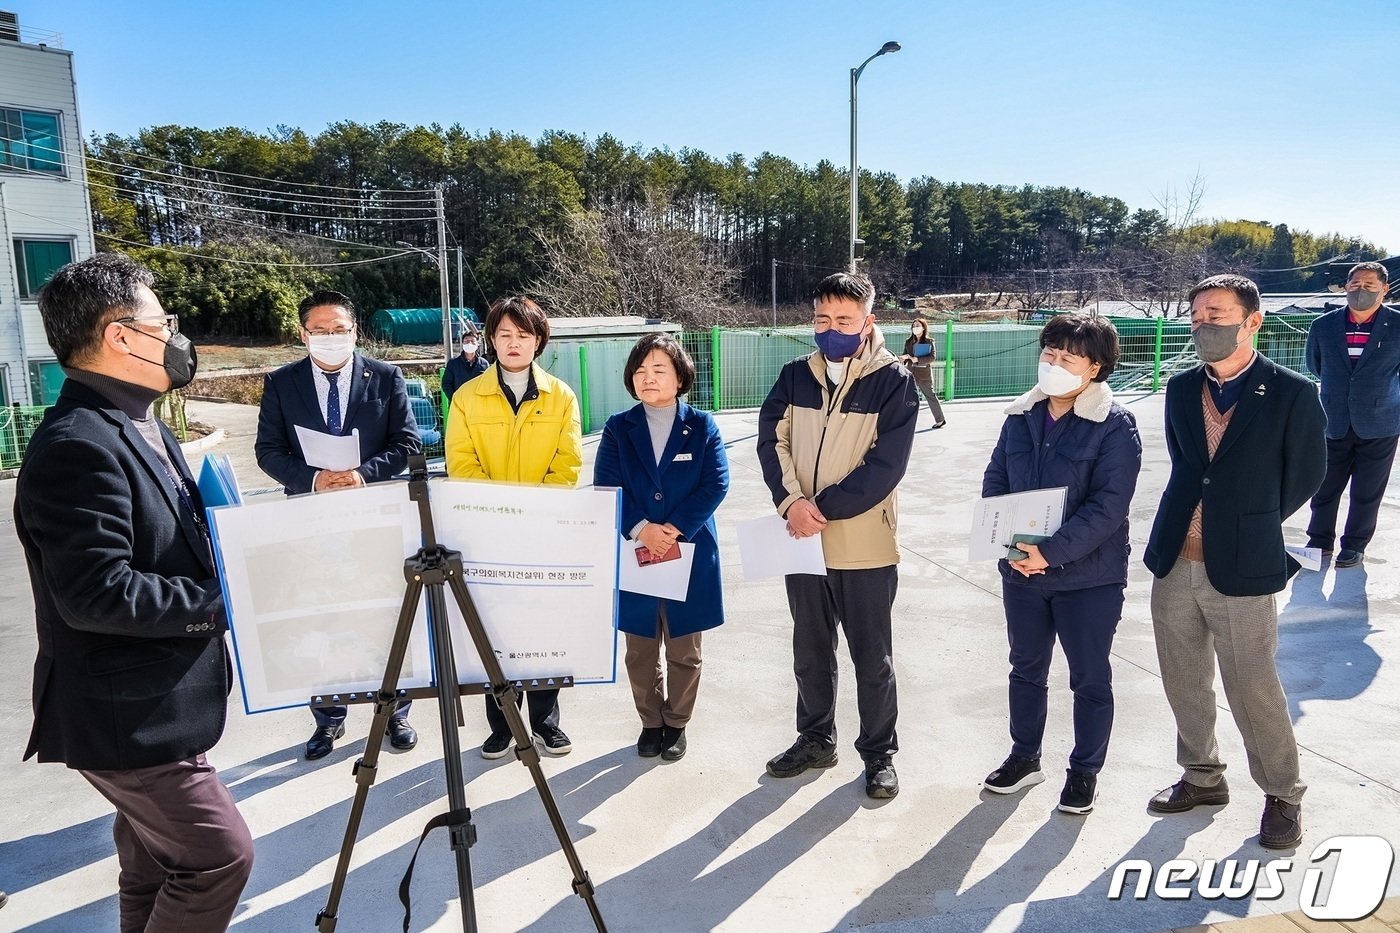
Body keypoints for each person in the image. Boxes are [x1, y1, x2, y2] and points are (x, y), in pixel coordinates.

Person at [16, 253, 253, 931]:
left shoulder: (142, 421)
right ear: (120, 336)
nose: (174, 338)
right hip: (125, 718)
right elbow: (98, 591)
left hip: (159, 707)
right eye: (162, 323)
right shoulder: (76, 444)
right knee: (216, 856)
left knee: (154, 862)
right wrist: (223, 602)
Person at [1143, 273, 1326, 849]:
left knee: (1253, 685)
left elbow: (1306, 474)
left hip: (1244, 564)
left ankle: (1283, 795)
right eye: (1198, 315)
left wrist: (1250, 519)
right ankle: (1202, 777)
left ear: (1253, 321)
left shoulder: (1293, 392)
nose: (1204, 324)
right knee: (1184, 679)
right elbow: (1187, 466)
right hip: (1176, 558)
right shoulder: (1179, 389)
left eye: (1217, 314)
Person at [757, 272, 918, 799]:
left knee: (872, 656)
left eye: (844, 320)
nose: (832, 329)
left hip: (864, 543)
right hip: (800, 541)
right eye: (823, 319)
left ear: (868, 322)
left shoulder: (894, 381)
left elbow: (884, 468)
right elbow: (770, 441)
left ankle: (878, 754)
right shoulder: (794, 375)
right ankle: (815, 738)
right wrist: (791, 503)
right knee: (810, 649)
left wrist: (817, 509)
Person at [980, 314, 1142, 814]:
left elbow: (1108, 506)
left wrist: (1049, 552)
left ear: (1094, 368)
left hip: (1087, 579)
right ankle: (1024, 756)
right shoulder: (1020, 417)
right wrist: (1011, 545)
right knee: (1025, 668)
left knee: (1089, 676)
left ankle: (1084, 771)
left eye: (1066, 357)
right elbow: (996, 480)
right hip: (1021, 573)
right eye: (1048, 353)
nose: (1052, 362)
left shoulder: (1115, 425)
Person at [255, 289, 421, 760]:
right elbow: (268, 451)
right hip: (311, 522)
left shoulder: (386, 377)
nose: (331, 339)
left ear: (355, 332)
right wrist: (312, 479)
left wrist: (361, 475)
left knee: (386, 616)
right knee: (322, 617)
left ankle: (396, 712)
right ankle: (328, 718)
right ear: (304, 334)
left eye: (340, 331)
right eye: (321, 331)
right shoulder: (282, 382)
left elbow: (406, 443)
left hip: (373, 519)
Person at [445, 295, 582, 759]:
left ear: (539, 340)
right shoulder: (467, 397)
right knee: (494, 629)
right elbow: (461, 462)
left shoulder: (561, 396)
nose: (513, 343)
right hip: (487, 532)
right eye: (504, 334)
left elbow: (568, 462)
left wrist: (535, 513)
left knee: (542, 624)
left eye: (524, 335)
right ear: (491, 339)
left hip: (544, 531)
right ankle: (502, 725)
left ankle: (545, 722)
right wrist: (499, 514)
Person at [593, 334, 731, 761]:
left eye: (658, 369)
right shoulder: (619, 427)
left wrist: (671, 528)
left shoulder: (703, 425)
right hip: (637, 552)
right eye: (639, 370)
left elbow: (716, 482)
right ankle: (650, 722)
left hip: (687, 551)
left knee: (684, 648)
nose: (647, 378)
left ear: (680, 376)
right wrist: (640, 528)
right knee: (640, 648)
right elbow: (606, 484)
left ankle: (677, 723)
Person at [1305, 261, 1400, 568]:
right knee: (1323, 486)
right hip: (1332, 419)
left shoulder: (1397, 325)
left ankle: (1355, 545)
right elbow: (1315, 365)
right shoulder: (1324, 325)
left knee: (1367, 491)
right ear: (1346, 286)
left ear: (1384, 289)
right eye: (1356, 284)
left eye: (1370, 285)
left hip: (1381, 421)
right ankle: (1319, 541)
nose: (1362, 290)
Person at [900, 317, 946, 427]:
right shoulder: (908, 342)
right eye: (914, 326)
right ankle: (907, 423)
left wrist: (917, 359)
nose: (915, 328)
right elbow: (906, 355)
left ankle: (940, 420)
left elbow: (932, 357)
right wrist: (904, 357)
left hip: (924, 374)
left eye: (918, 326)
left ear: (923, 328)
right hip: (911, 373)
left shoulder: (929, 342)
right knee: (908, 398)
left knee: (931, 396)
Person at [441, 322, 489, 406]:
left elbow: (488, 385)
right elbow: (446, 384)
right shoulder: (453, 364)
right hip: (458, 406)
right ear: (462, 344)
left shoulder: (484, 364)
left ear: (477, 344)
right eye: (466, 341)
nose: (469, 343)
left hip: (479, 406)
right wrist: (455, 399)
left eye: (472, 341)